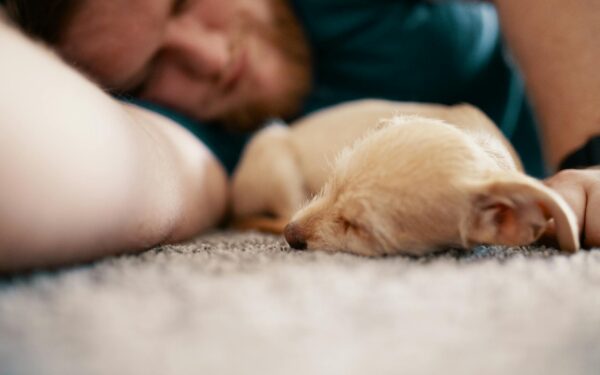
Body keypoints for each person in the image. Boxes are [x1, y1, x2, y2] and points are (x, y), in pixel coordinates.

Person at [0, 0, 598, 271]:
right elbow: (107, 155)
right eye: (148, 71)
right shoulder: (212, 141)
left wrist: (590, 159)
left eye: (184, 2)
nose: (209, 58)